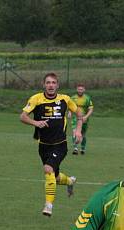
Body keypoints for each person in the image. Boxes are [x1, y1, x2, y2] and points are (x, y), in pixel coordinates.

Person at [20, 73, 83, 217]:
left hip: (60, 144)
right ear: (44, 85)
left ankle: (48, 205)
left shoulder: (65, 100)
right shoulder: (36, 99)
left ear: (57, 85)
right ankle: (69, 181)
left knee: (48, 169)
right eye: (48, 82)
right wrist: (36, 123)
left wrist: (78, 131)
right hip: (43, 145)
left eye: (53, 82)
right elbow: (22, 116)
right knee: (53, 176)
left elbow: (79, 115)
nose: (51, 85)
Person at [70, 83, 94, 155]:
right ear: (76, 89)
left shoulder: (87, 98)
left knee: (83, 134)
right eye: (79, 89)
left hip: (84, 118)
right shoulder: (73, 98)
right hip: (75, 118)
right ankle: (75, 148)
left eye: (81, 89)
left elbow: (91, 109)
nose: (80, 90)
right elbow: (70, 107)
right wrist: (70, 112)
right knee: (75, 132)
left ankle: (82, 148)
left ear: (84, 90)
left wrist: (86, 116)